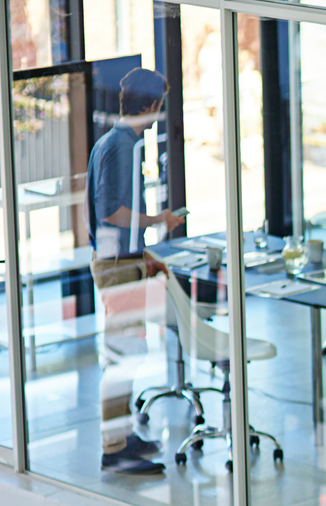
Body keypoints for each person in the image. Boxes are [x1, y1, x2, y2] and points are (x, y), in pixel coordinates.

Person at [86, 67, 186, 475]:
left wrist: (142, 254)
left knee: (127, 353)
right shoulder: (124, 147)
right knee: (124, 357)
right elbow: (112, 212)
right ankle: (115, 448)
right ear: (150, 106)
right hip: (116, 267)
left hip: (120, 261)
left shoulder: (108, 141)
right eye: (159, 106)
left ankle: (123, 437)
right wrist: (157, 219)